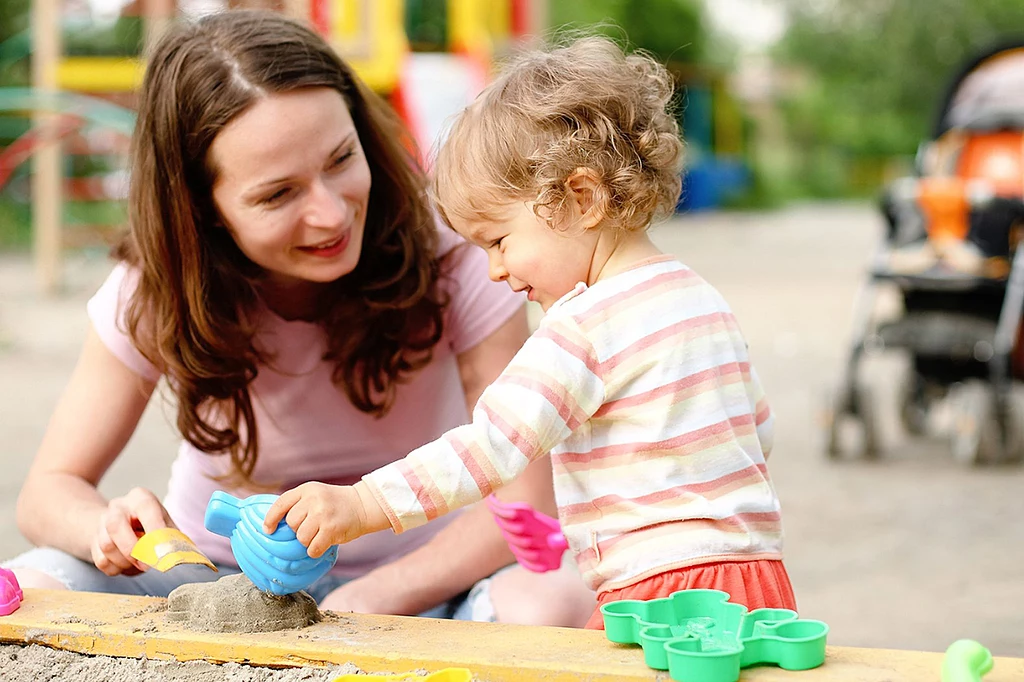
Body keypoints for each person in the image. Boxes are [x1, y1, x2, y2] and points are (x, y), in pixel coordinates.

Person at [5, 9, 596, 628]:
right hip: (209, 580)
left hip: (426, 578)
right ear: (202, 210)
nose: (332, 214)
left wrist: (365, 600)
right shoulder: (152, 292)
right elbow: (50, 488)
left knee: (554, 595)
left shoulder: (458, 254)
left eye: (342, 159)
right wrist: (103, 526)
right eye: (277, 194)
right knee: (35, 581)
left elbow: (527, 507)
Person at [262, 36, 797, 630]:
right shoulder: (701, 298)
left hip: (657, 592)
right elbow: (756, 429)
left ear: (583, 198)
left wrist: (362, 503)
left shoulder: (582, 327)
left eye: (498, 240)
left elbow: (488, 450)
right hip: (757, 580)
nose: (494, 269)